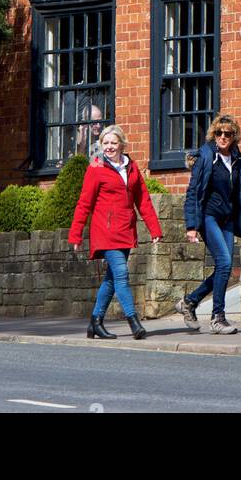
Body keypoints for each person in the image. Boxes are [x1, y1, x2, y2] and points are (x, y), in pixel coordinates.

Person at [68, 126, 162, 340]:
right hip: (105, 231)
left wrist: (154, 229)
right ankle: (134, 322)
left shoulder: (132, 167)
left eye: (113, 143)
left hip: (126, 230)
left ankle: (95, 322)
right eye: (105, 143)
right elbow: (84, 203)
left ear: (122, 144)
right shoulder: (96, 166)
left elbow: (143, 201)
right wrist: (76, 234)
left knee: (111, 280)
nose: (109, 147)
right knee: (121, 274)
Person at [176, 113, 241, 334]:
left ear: (234, 136)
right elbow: (193, 192)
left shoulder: (236, 159)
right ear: (214, 134)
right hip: (209, 216)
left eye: (227, 134)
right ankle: (217, 318)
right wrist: (191, 226)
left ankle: (190, 302)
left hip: (228, 218)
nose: (223, 137)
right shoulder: (206, 156)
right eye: (219, 133)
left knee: (226, 267)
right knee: (223, 262)